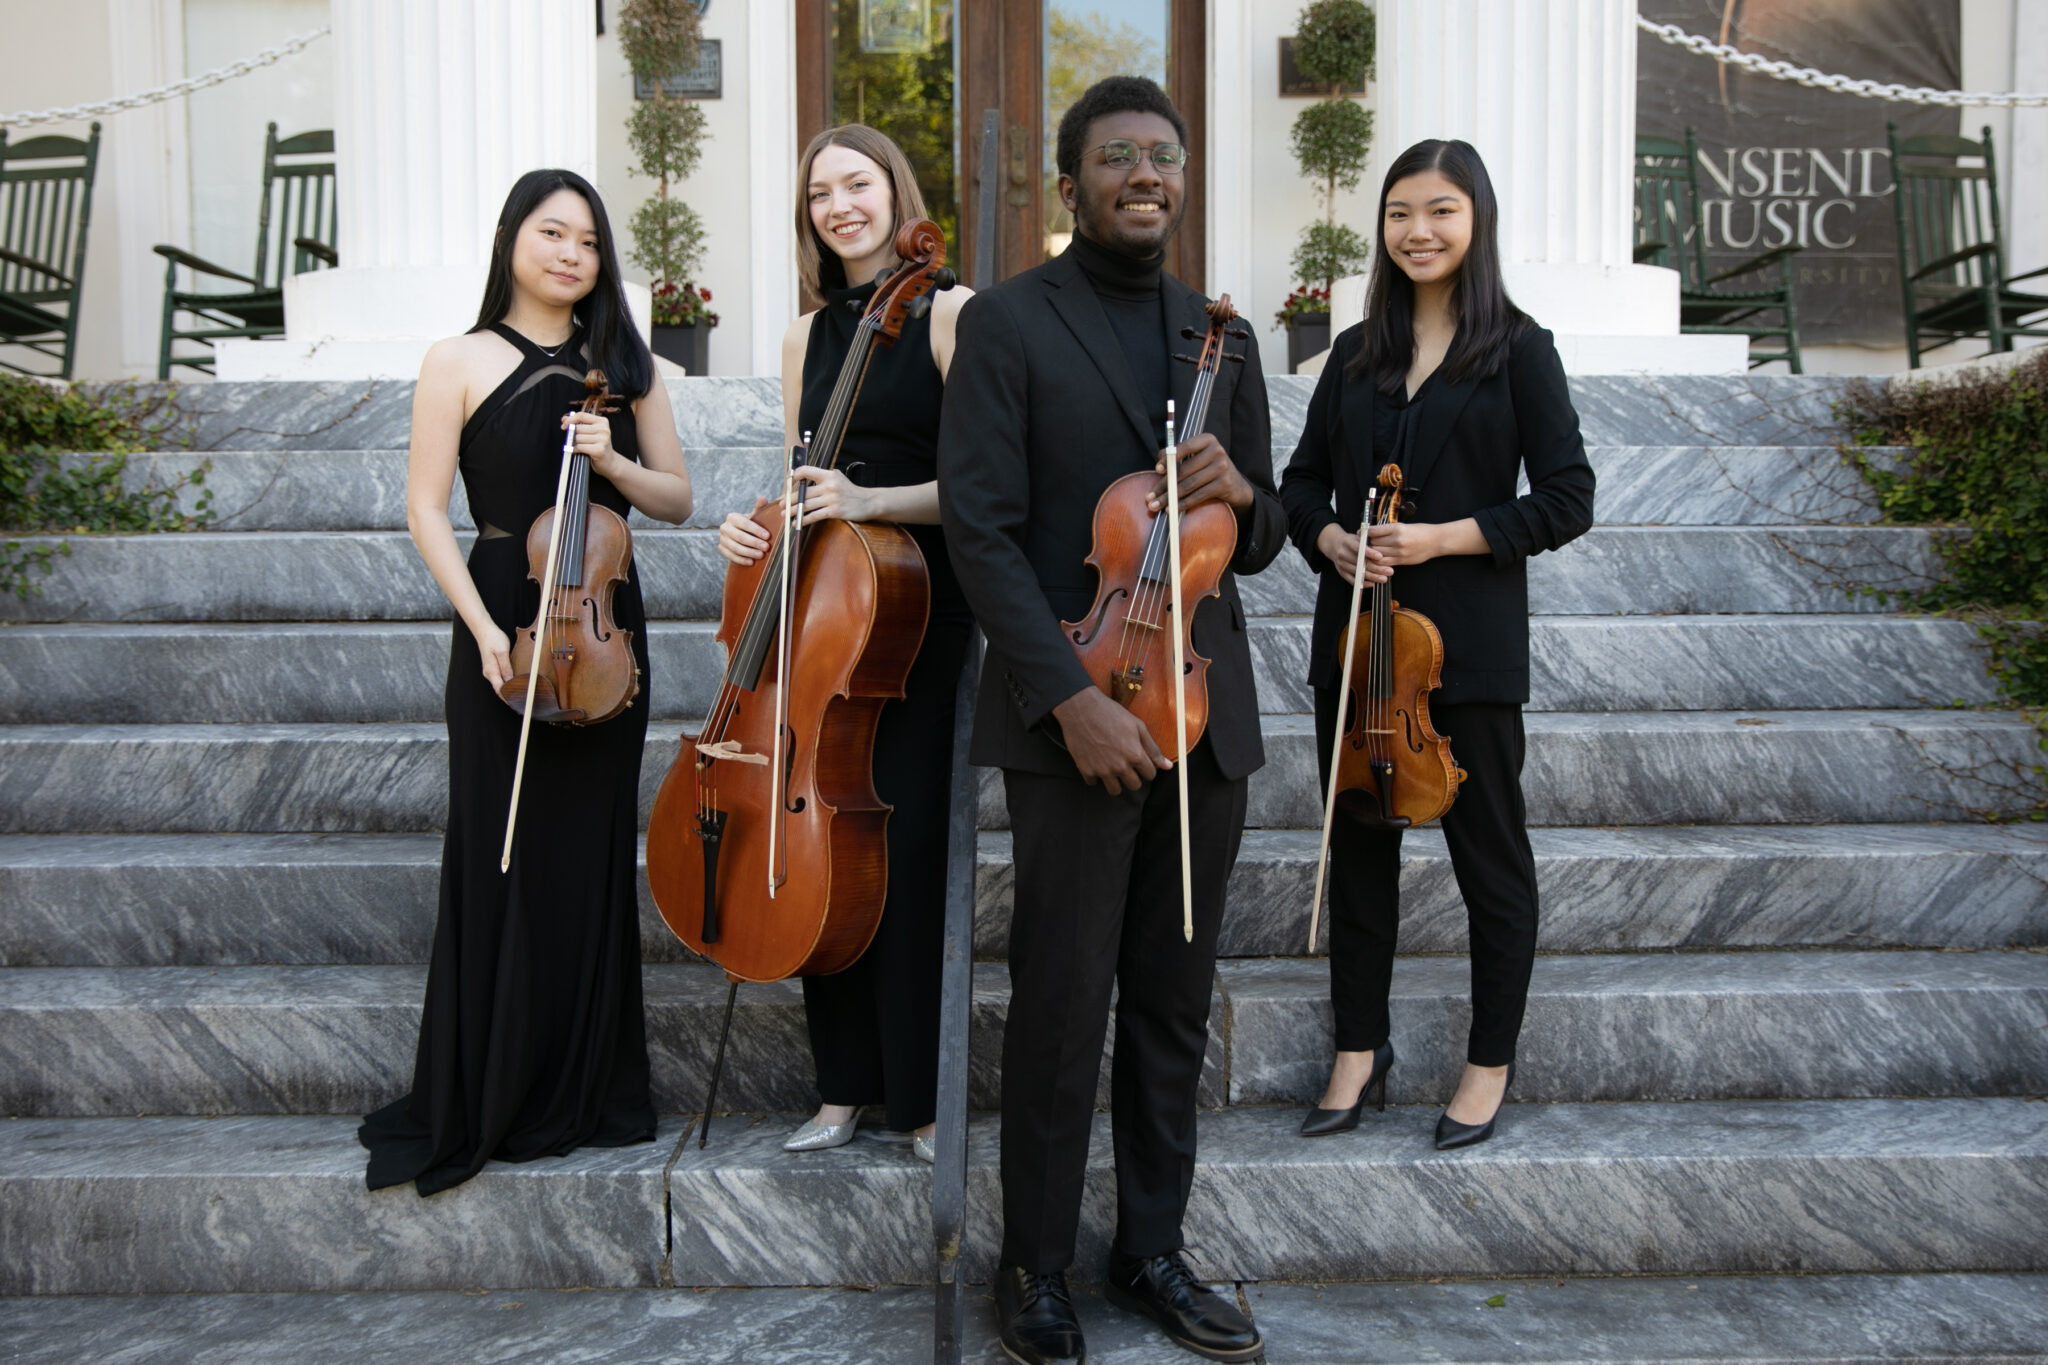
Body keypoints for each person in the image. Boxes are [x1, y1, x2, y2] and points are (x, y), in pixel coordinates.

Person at [939, 76, 1280, 1365]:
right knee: (1061, 1002)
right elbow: (977, 529)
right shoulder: (1011, 324)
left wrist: (1242, 490)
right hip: (1071, 719)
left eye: (1165, 157)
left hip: (1203, 714)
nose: (1147, 173)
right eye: (1119, 156)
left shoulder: (1220, 335)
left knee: (1172, 1003)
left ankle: (1151, 1247)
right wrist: (1070, 701)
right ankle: (1033, 1266)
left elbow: (1260, 544)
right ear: (1069, 183)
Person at [362, 169, 694, 1195]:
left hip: (597, 618)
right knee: (496, 855)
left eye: (589, 243)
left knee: (585, 856)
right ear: (513, 237)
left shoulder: (626, 367)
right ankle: (492, 1083)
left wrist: (615, 461)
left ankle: (584, 1087)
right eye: (552, 233)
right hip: (503, 612)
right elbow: (426, 509)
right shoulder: (454, 359)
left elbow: (676, 499)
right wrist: (479, 631)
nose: (570, 255)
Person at [1281, 138, 1595, 1151]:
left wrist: (1441, 536)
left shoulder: (1518, 351)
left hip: (1464, 649)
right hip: (1358, 654)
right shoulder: (1354, 355)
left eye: (1440, 211)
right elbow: (1295, 490)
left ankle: (1486, 1062)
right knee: (1362, 854)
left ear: (1476, 222)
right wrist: (1329, 537)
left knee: (1488, 861)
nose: (1417, 231)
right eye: (1399, 213)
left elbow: (1564, 499)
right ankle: (1357, 1053)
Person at [714, 124, 973, 1164]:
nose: (838, 205)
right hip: (823, 609)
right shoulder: (805, 335)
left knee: (902, 849)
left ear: (893, 189)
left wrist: (870, 497)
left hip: (916, 609)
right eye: (819, 191)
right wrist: (755, 523)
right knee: (817, 833)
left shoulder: (952, 314)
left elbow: (989, 489)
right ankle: (840, 1088)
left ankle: (915, 1098)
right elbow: (798, 478)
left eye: (856, 183)